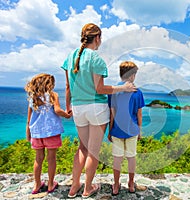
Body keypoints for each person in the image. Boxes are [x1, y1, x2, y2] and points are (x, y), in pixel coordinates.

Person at [61, 23, 136, 198]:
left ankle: (74, 187)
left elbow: (67, 86)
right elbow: (100, 89)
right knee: (93, 151)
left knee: (82, 148)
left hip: (78, 107)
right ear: (97, 38)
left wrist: (68, 106)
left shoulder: (70, 57)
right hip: (96, 108)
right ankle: (88, 188)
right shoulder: (97, 59)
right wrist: (123, 88)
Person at [25, 73, 72, 194]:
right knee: (51, 159)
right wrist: (67, 115)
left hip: (36, 133)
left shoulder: (32, 97)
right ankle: (51, 184)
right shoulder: (53, 95)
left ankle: (36, 185)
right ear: (49, 84)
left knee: (38, 159)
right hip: (51, 132)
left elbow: (29, 119)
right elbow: (57, 110)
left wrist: (28, 133)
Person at [108, 61, 145, 195]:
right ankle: (130, 184)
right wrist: (139, 131)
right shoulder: (138, 92)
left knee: (117, 158)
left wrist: (110, 130)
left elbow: (112, 113)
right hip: (132, 130)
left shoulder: (113, 91)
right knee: (131, 158)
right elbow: (139, 114)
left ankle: (116, 185)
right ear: (132, 75)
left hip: (117, 130)